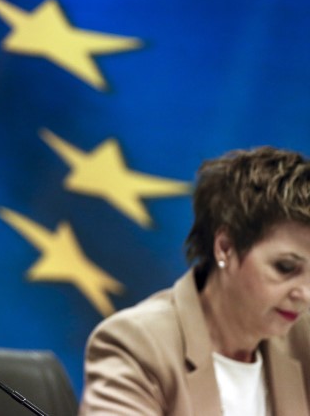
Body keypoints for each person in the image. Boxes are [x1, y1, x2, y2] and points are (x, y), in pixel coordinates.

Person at [79, 146, 310, 415]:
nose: (305, 294)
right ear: (225, 247)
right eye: (285, 267)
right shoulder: (137, 344)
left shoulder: (303, 339)